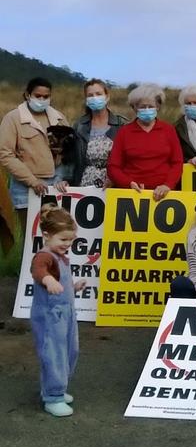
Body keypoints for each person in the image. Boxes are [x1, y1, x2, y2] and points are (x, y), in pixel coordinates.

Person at [30, 204, 86, 417]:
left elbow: (60, 283)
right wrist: (47, 279)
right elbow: (38, 270)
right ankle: (53, 396)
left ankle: (57, 389)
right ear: (46, 235)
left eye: (71, 240)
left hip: (65, 313)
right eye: (63, 239)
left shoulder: (60, 257)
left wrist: (73, 287)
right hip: (50, 316)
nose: (68, 244)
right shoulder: (44, 256)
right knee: (54, 354)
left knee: (70, 351)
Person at [0, 77, 72, 230]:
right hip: (25, 189)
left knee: (55, 235)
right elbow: (5, 154)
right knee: (31, 237)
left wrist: (62, 177)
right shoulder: (13, 119)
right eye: (37, 96)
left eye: (46, 97)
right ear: (27, 95)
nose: (41, 100)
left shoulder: (59, 118)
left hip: (56, 187)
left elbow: (69, 152)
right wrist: (32, 181)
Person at [107, 83, 183, 201]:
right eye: (142, 107)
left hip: (165, 196)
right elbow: (113, 166)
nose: (147, 110)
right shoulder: (124, 132)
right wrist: (128, 183)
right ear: (134, 108)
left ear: (158, 106)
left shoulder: (168, 130)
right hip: (133, 196)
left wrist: (168, 185)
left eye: (151, 106)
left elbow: (177, 163)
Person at [70, 78, 128, 187]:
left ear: (107, 96)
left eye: (98, 94)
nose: (94, 98)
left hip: (114, 183)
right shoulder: (79, 125)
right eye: (90, 95)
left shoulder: (121, 124)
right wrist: (67, 179)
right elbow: (73, 157)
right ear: (86, 100)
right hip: (84, 182)